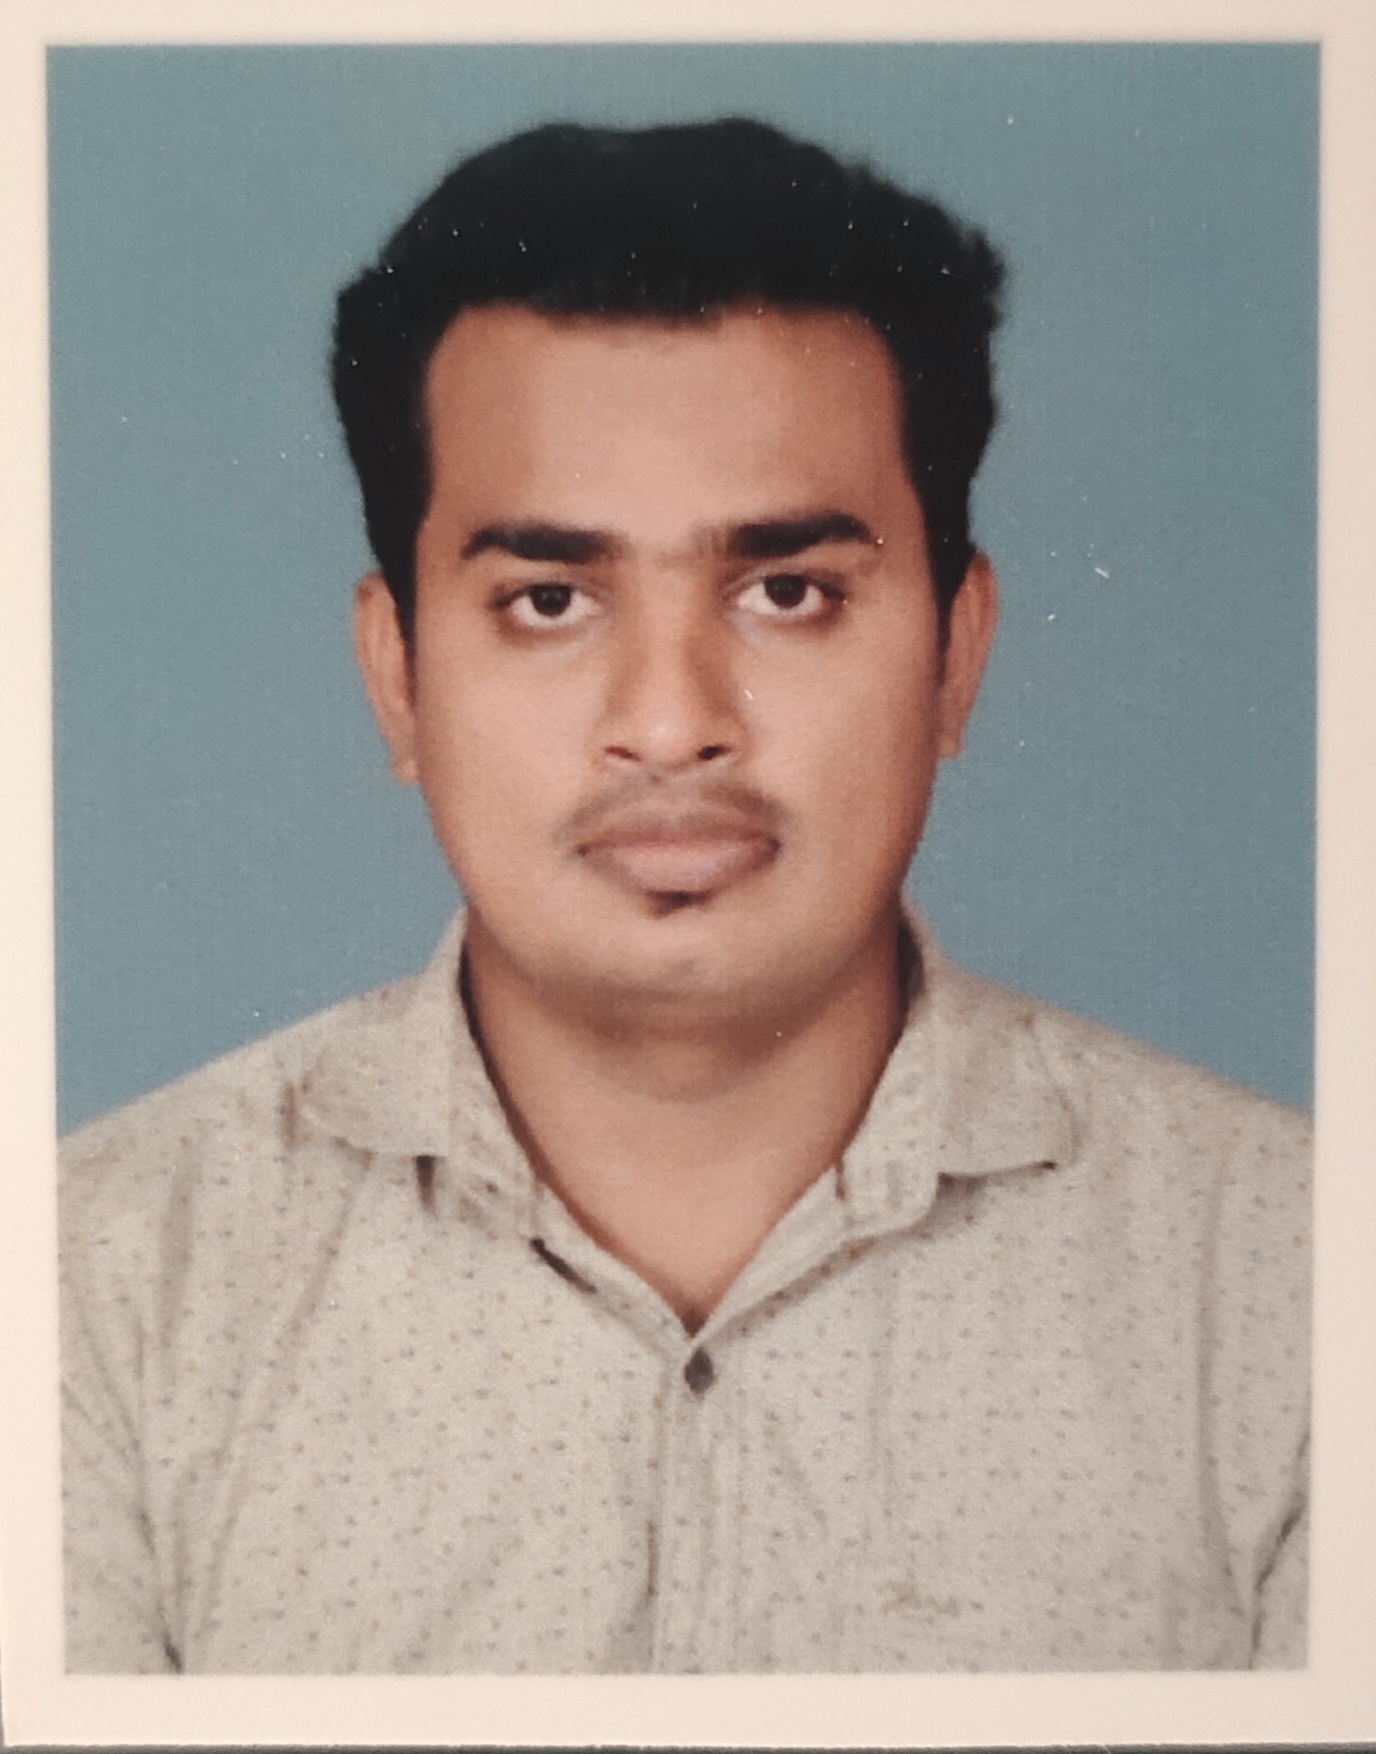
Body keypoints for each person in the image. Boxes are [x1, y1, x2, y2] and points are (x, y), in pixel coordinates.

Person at [60, 119, 1310, 1675]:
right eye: (549, 599)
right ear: (397, 674)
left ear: (955, 653)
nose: (669, 722)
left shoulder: (1300, 1282)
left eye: (789, 592)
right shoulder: (87, 1289)